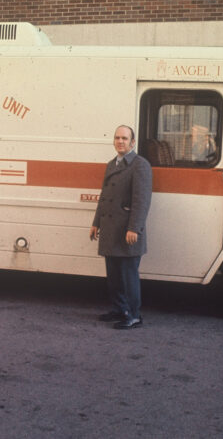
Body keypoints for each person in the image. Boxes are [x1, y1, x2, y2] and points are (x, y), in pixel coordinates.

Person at [90, 125, 153, 329]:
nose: (120, 141)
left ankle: (134, 315)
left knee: (128, 277)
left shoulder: (140, 165)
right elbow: (105, 197)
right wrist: (96, 223)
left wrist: (134, 228)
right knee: (114, 277)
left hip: (127, 232)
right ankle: (119, 310)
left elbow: (141, 201)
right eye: (117, 138)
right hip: (111, 230)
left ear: (132, 142)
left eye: (125, 138)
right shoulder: (112, 164)